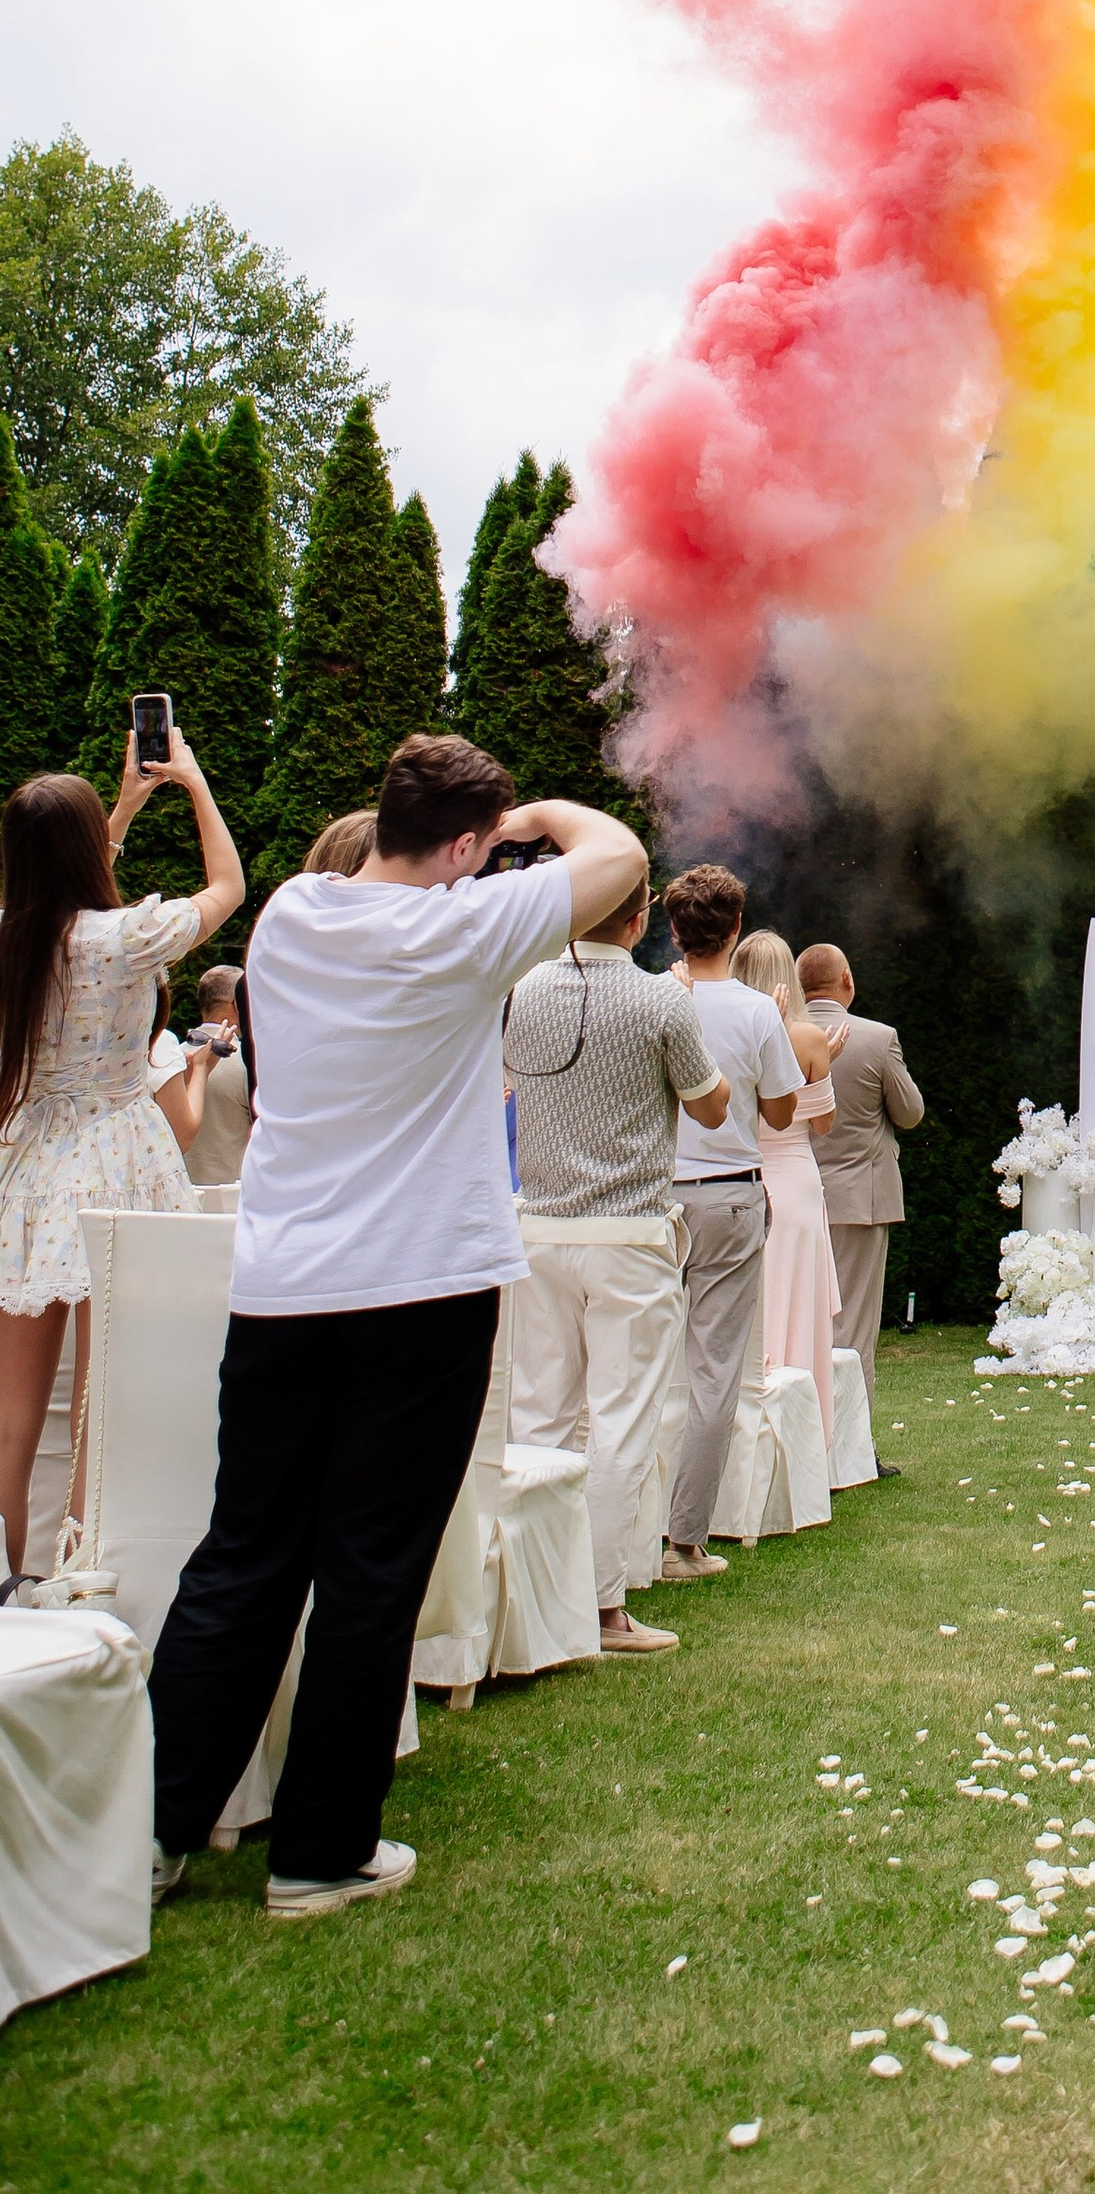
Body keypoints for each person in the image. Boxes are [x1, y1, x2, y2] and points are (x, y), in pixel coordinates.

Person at [148, 735, 644, 1914]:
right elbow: (616, 854)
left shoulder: (291, 915)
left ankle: (148, 1839)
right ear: (469, 847)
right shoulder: (462, 931)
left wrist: (482, 834)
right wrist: (537, 817)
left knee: (242, 1555)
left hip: (283, 1288)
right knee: (372, 1568)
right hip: (419, 1289)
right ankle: (320, 1852)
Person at [0, 732, 242, 1580]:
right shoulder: (127, 936)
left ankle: (12, 1573)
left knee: (14, 1408)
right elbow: (228, 887)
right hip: (117, 1159)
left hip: (28, 1164)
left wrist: (124, 810)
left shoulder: (12, 939)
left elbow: (55, 889)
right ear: (80, 849)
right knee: (102, 1395)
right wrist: (193, 784)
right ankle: (78, 1570)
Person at [506, 867, 731, 1656]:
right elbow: (711, 1104)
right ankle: (601, 1611)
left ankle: (528, 1608)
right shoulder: (662, 1000)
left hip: (538, 1230)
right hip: (629, 1237)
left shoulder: (524, 990)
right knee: (621, 1423)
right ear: (640, 920)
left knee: (538, 1418)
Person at [661, 865, 805, 1582]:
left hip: (655, 1200)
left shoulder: (651, 997)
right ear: (737, 930)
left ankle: (627, 1534)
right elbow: (783, 1114)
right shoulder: (755, 1012)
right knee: (714, 1372)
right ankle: (684, 1539)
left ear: (673, 930)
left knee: (641, 1370)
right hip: (728, 1196)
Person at [797, 945, 922, 1427]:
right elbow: (910, 1114)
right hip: (859, 1201)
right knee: (852, 1328)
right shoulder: (876, 1038)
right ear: (846, 981)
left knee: (795, 1325)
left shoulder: (778, 1033)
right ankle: (849, 1446)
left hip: (791, 1195)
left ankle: (802, 1440)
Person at [730, 932, 841, 1454]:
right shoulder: (808, 1038)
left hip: (742, 1176)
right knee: (797, 1300)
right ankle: (801, 1446)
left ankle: (741, 1431)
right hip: (794, 1182)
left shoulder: (725, 1028)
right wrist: (824, 1069)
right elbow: (822, 1124)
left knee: (749, 1299)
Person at [181, 962, 254, 1190]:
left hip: (179, 1196)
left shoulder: (169, 1060)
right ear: (237, 1004)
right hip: (232, 1200)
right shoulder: (248, 1064)